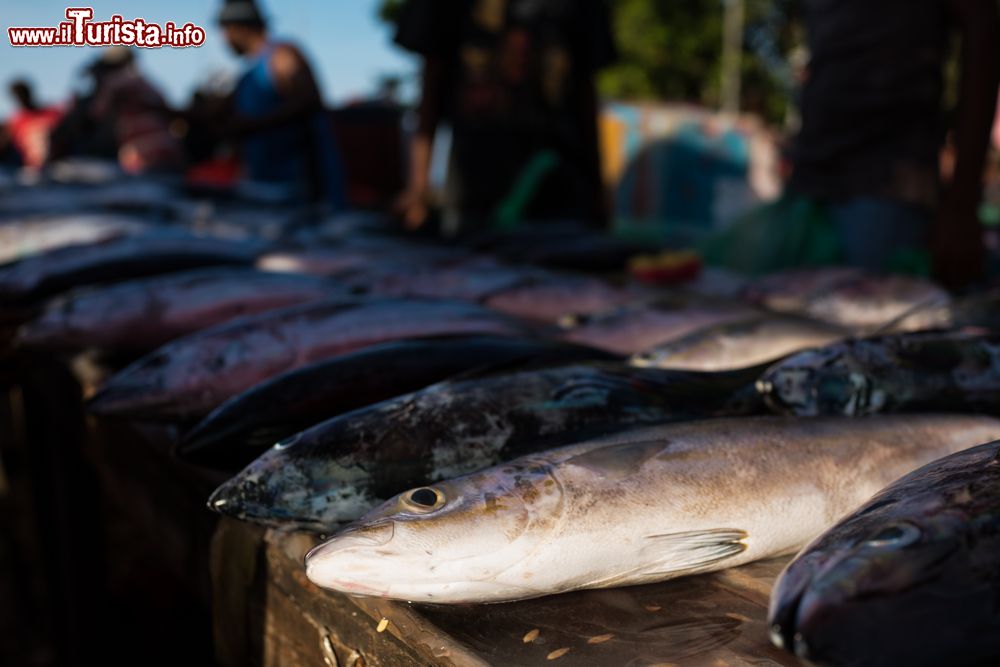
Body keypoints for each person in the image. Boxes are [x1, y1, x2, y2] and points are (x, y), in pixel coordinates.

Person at [790, 0, 1000, 288]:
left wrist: (963, 200)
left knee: (870, 320)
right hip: (809, 181)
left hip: (887, 189)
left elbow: (982, 28)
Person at [394, 0, 616, 235]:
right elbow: (431, 82)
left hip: (563, 191)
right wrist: (418, 188)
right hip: (474, 190)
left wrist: (598, 191)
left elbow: (587, 93)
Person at [217, 0, 346, 209]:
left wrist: (253, 125)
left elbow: (308, 102)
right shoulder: (248, 74)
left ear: (239, 28)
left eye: (224, 31)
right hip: (266, 187)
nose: (223, 39)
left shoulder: (282, 55)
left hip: (301, 187)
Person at [88, 48, 185, 174]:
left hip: (141, 155)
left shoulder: (113, 84)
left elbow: (96, 113)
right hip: (168, 149)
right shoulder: (148, 84)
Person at [3, 80, 63, 169]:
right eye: (18, 96)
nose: (21, 99)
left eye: (23, 94)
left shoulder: (53, 113)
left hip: (58, 165)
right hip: (31, 169)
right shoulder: (15, 122)